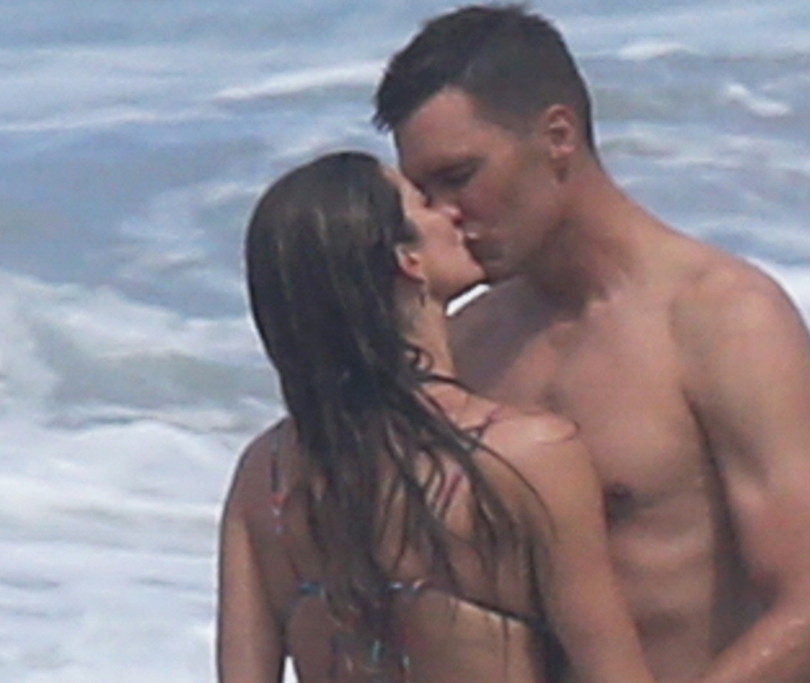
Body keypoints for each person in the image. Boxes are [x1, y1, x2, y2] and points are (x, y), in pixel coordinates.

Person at [373, 5, 810, 683]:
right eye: (423, 193)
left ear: (558, 137)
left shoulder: (723, 321)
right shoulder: (468, 341)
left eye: (460, 177)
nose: (443, 215)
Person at [217, 150, 659, 683]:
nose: (451, 213)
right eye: (424, 203)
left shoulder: (265, 477)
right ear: (409, 260)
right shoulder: (525, 456)